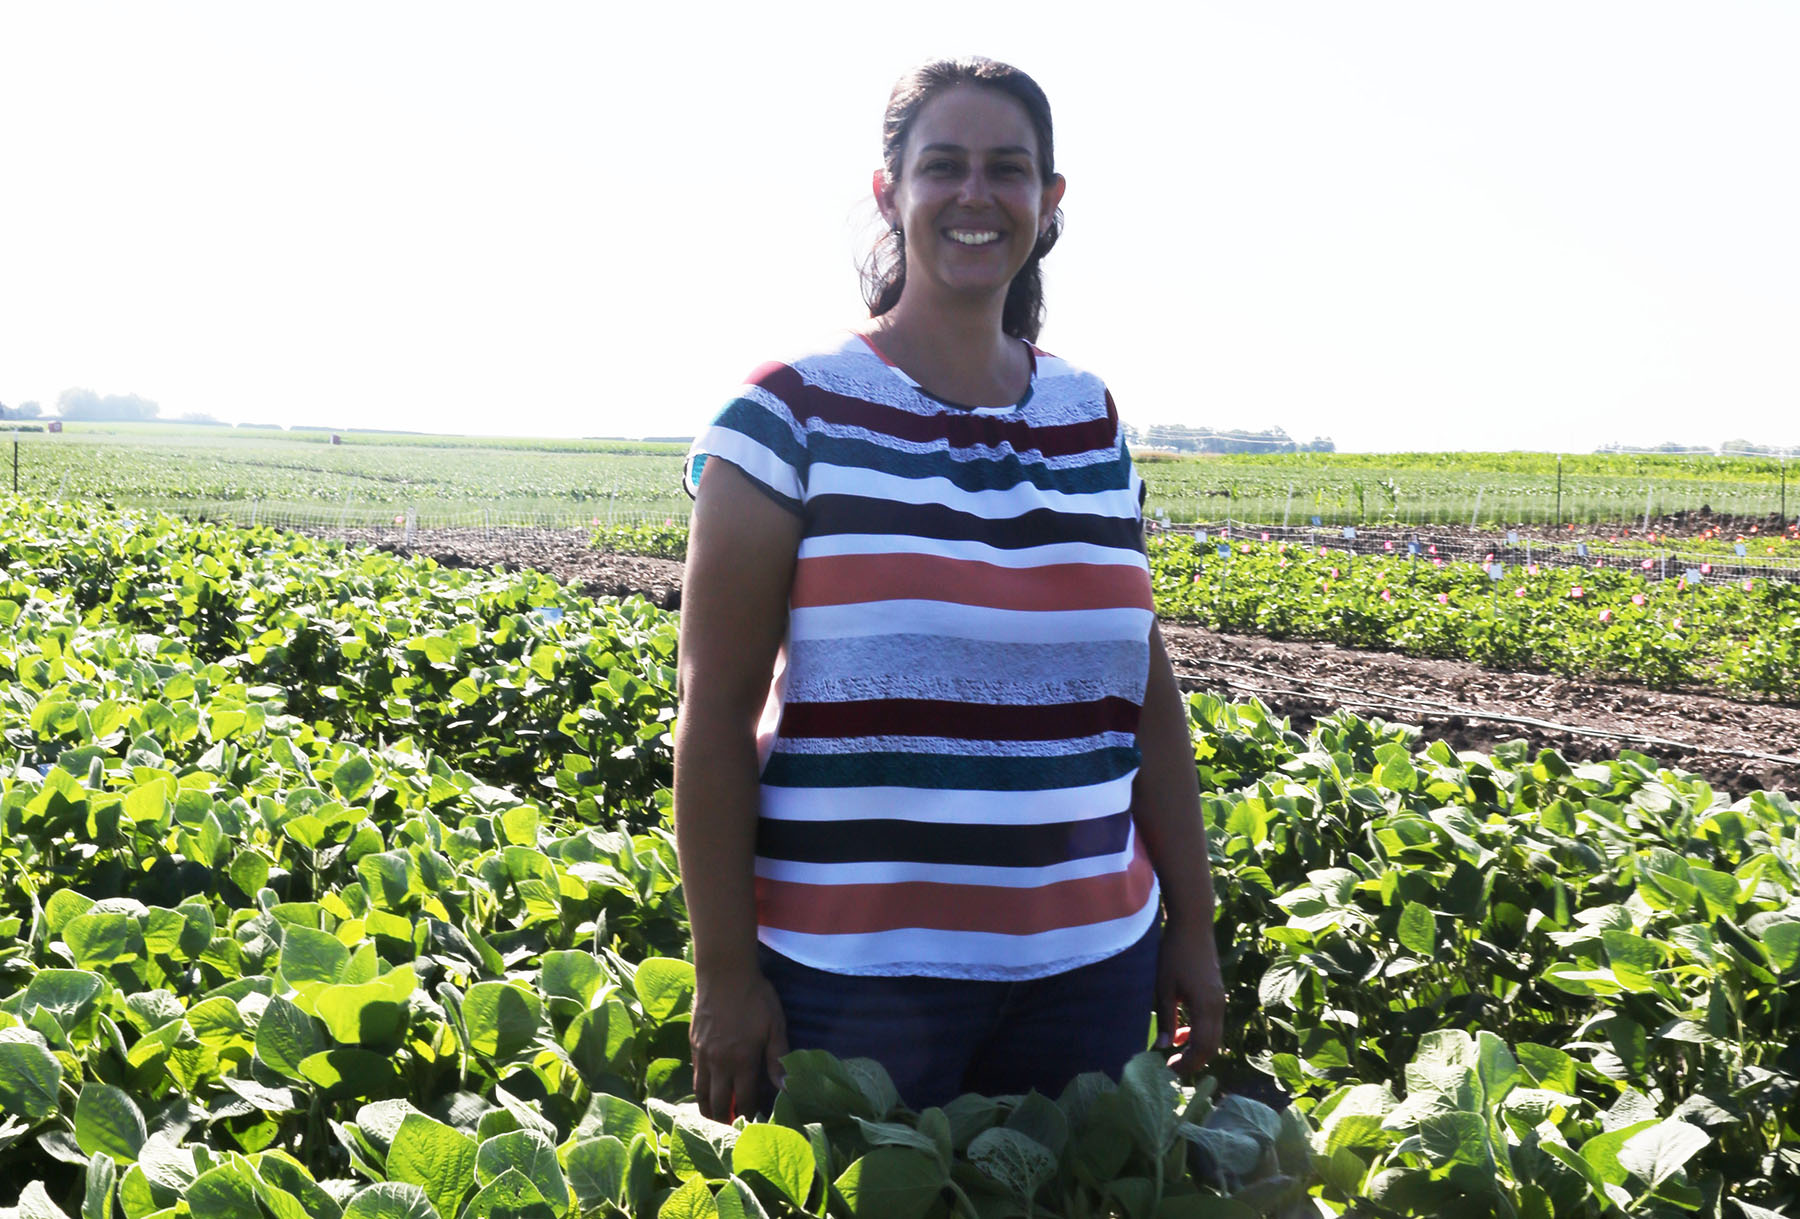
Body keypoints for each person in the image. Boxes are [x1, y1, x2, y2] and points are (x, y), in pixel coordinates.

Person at [675, 56, 1223, 1123]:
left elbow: (1144, 695)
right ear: (891, 193)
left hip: (1092, 971)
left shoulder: (1089, 416)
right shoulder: (788, 413)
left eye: (1008, 170)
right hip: (854, 984)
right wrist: (725, 974)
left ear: (1048, 201)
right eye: (945, 168)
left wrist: (1191, 923)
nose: (977, 196)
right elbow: (712, 714)